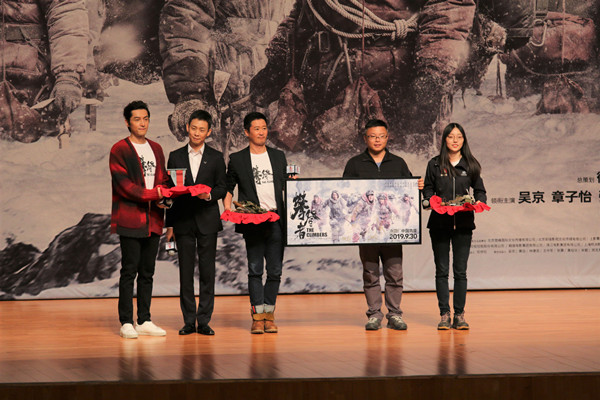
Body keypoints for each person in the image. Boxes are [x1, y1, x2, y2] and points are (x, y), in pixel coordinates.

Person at [343, 119, 423, 331]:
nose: (377, 140)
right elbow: (346, 195)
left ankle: (395, 314)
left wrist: (418, 187)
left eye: (381, 136)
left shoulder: (398, 163)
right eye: (372, 136)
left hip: (391, 229)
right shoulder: (354, 164)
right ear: (365, 138)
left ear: (387, 138)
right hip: (367, 229)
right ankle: (374, 314)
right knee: (370, 273)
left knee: (394, 273)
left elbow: (408, 194)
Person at [109, 100, 170, 339]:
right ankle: (126, 321)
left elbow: (163, 181)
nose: (142, 123)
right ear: (127, 122)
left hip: (153, 219)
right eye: (137, 119)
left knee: (148, 272)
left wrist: (166, 199)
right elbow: (125, 187)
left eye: (145, 118)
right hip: (130, 219)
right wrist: (155, 194)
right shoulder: (119, 149)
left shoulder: (156, 148)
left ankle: (144, 319)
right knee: (129, 271)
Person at [224, 112, 288, 334]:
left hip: (276, 220)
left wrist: (295, 185)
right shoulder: (238, 159)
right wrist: (227, 208)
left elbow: (286, 186)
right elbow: (229, 187)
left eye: (264, 128)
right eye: (256, 128)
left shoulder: (278, 156)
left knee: (275, 271)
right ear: (246, 132)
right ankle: (257, 317)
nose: (261, 132)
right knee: (254, 270)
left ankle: (269, 315)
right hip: (253, 220)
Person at [165, 110, 227, 336]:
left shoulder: (216, 157)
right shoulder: (175, 156)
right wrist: (170, 225)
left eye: (202, 130)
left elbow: (222, 187)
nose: (197, 133)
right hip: (182, 221)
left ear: (209, 132)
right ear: (187, 128)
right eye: (193, 128)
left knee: (208, 273)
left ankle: (204, 320)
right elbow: (170, 192)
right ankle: (189, 321)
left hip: (207, 220)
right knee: (185, 273)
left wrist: (208, 195)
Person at [422, 122, 486, 330]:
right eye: (451, 136)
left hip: (464, 224)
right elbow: (428, 189)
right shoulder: (434, 164)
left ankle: (459, 315)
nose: (455, 140)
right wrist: (429, 200)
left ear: (464, 140)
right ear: (445, 140)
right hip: (439, 224)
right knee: (441, 271)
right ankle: (444, 314)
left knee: (460, 272)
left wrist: (479, 201)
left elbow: (480, 190)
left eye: (459, 136)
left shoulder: (471, 164)